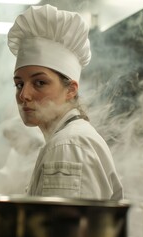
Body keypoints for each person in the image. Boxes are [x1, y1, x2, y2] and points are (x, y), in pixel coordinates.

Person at [7, 4, 123, 200]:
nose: (24, 95)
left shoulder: (68, 145)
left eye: (40, 83)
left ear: (71, 90)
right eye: (19, 84)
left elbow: (65, 230)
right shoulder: (65, 139)